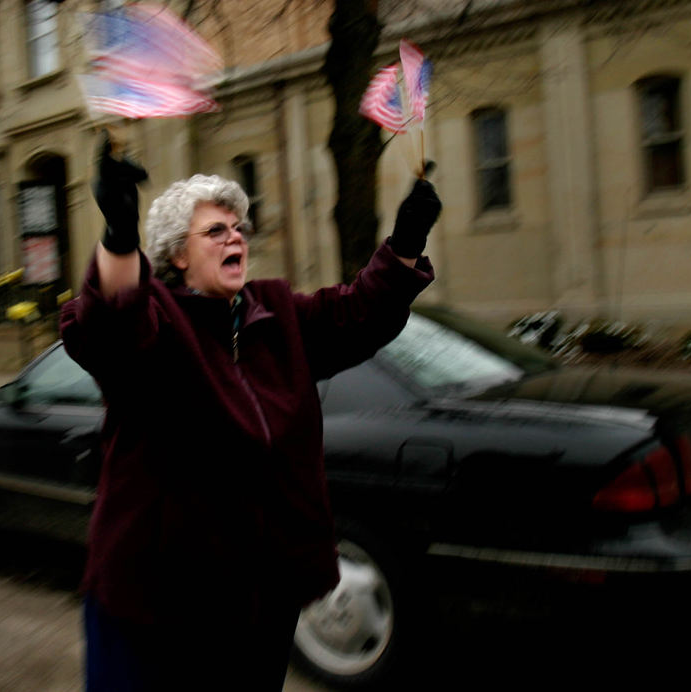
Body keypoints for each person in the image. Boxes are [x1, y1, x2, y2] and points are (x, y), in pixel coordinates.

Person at [60, 134, 440, 692]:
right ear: (178, 255)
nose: (235, 236)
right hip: (157, 602)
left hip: (261, 598)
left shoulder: (278, 314)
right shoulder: (156, 323)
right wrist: (118, 237)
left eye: (239, 227)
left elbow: (361, 313)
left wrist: (406, 240)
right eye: (216, 230)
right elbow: (109, 323)